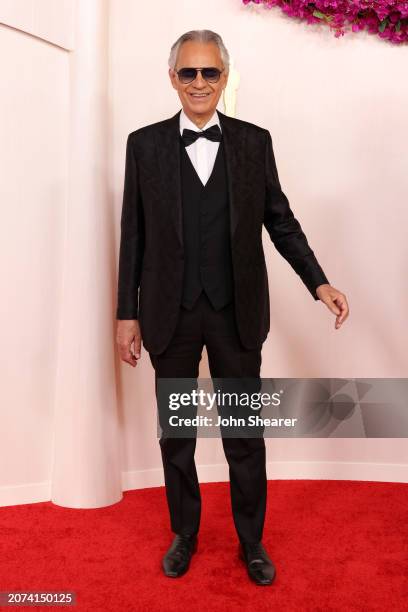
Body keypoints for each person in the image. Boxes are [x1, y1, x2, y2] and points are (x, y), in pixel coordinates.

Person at [115, 29, 349, 586]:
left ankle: (252, 542)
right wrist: (127, 313)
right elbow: (133, 237)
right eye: (189, 73)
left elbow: (280, 221)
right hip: (168, 313)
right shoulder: (142, 145)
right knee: (177, 432)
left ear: (225, 78)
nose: (200, 83)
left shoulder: (253, 142)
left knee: (243, 431)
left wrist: (319, 283)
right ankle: (184, 534)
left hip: (235, 312)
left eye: (210, 73)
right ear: (172, 78)